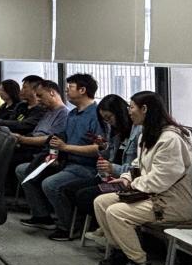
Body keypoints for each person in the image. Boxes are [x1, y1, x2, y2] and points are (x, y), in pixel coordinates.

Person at [95, 91, 192, 265]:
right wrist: (125, 178)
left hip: (171, 203)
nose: (129, 111)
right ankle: (122, 253)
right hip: (150, 195)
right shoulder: (147, 134)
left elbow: (160, 179)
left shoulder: (170, 139)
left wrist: (131, 184)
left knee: (117, 212)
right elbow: (137, 165)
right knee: (101, 202)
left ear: (144, 109)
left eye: (132, 107)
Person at [16, 74, 101, 236]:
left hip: (85, 166)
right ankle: (42, 215)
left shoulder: (96, 115)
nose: (66, 91)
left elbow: (99, 148)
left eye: (70, 88)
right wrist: (56, 154)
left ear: (82, 90)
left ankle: (69, 227)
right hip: (66, 161)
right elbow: (61, 139)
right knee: (23, 170)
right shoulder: (73, 114)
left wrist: (66, 148)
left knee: (51, 184)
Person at [61, 94, 142, 246]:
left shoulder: (138, 132)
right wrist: (103, 147)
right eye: (105, 119)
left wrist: (113, 168)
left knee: (86, 196)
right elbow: (110, 155)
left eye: (109, 118)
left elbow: (137, 168)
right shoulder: (115, 131)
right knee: (69, 190)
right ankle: (100, 226)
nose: (108, 122)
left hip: (124, 180)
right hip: (109, 176)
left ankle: (105, 229)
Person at [10, 80, 69, 198]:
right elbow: (36, 132)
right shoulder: (47, 112)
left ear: (52, 93)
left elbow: (51, 139)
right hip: (32, 145)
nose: (38, 99)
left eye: (40, 96)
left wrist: (23, 140)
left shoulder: (64, 114)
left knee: (13, 159)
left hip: (43, 151)